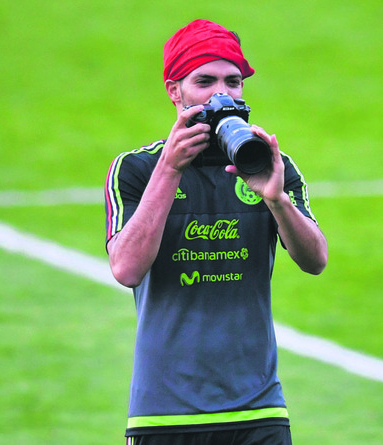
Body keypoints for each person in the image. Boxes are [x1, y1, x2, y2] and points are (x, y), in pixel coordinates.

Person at [104, 19, 328, 445]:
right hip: (165, 415)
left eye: (234, 81)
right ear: (175, 90)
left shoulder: (269, 164)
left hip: (259, 410)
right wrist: (170, 169)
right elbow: (127, 268)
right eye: (204, 81)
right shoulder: (136, 170)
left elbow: (315, 259)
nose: (222, 93)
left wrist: (277, 200)